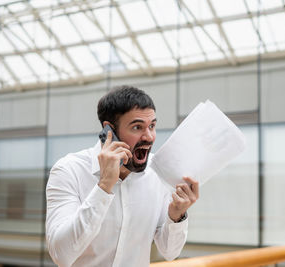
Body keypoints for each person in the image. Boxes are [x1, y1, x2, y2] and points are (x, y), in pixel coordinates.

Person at [45, 85, 199, 267]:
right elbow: (61, 255)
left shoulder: (158, 172)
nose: (149, 137)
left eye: (152, 126)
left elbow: (170, 252)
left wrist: (177, 215)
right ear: (109, 131)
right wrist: (103, 186)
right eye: (137, 127)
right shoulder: (68, 170)